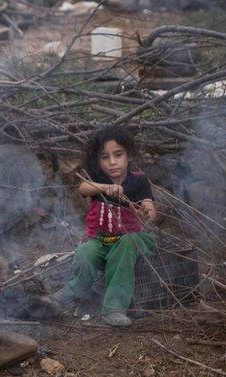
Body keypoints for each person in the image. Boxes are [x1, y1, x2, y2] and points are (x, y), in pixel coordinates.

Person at [52, 124, 158, 327]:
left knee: (127, 242)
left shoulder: (138, 181)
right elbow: (83, 187)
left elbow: (150, 211)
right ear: (97, 160)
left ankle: (113, 309)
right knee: (85, 253)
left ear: (128, 156)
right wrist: (105, 187)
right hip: (101, 242)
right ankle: (71, 292)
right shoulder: (97, 179)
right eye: (105, 157)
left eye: (118, 155)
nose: (112, 162)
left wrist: (146, 212)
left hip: (132, 241)